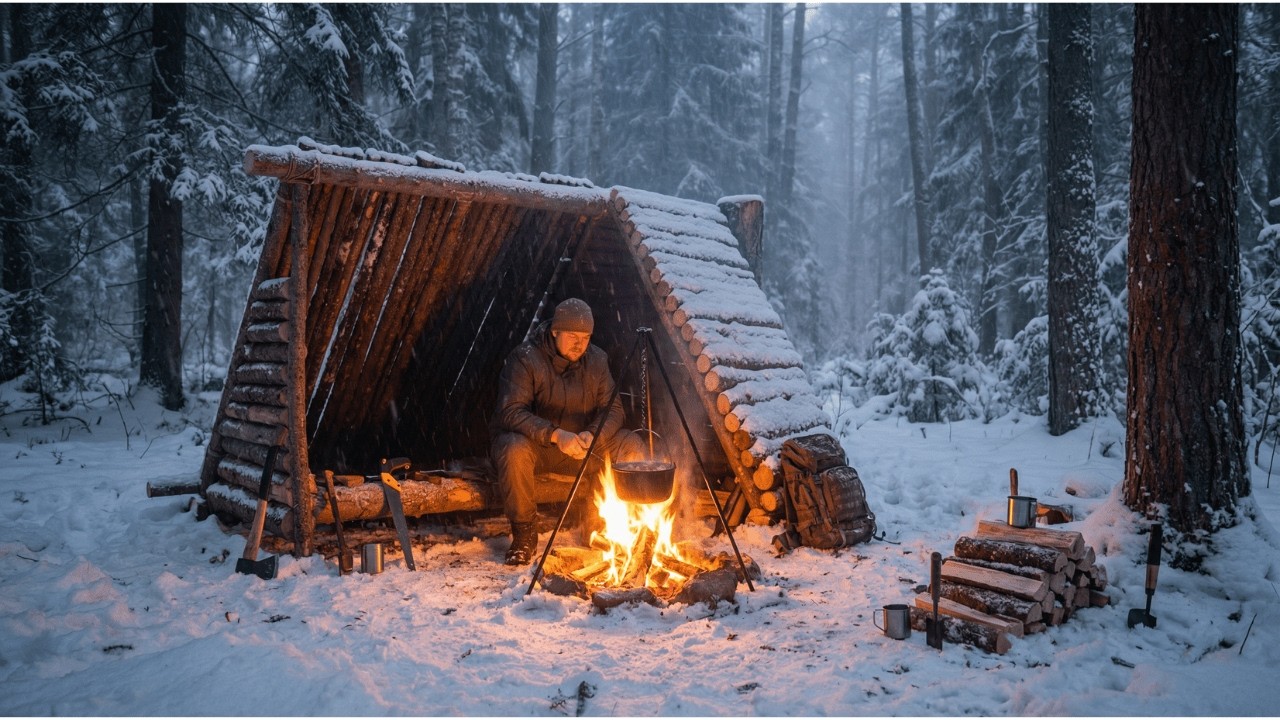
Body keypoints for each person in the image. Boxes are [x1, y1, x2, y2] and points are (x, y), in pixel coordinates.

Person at [490, 298, 640, 565]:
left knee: (631, 443)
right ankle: (524, 535)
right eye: (572, 336)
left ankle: (600, 524)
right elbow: (510, 411)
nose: (579, 344)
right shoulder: (526, 358)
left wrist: (593, 435)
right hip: (541, 449)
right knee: (513, 448)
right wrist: (556, 435)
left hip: (582, 447)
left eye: (585, 337)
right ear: (555, 331)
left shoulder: (597, 360)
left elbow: (614, 409)